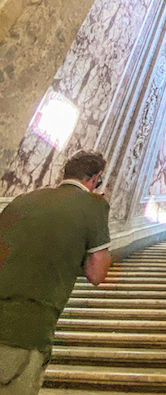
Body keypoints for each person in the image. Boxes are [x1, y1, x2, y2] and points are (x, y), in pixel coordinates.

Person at [0, 151, 111, 395]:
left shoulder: (22, 200)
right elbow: (97, 274)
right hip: (27, 328)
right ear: (96, 179)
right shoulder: (94, 205)